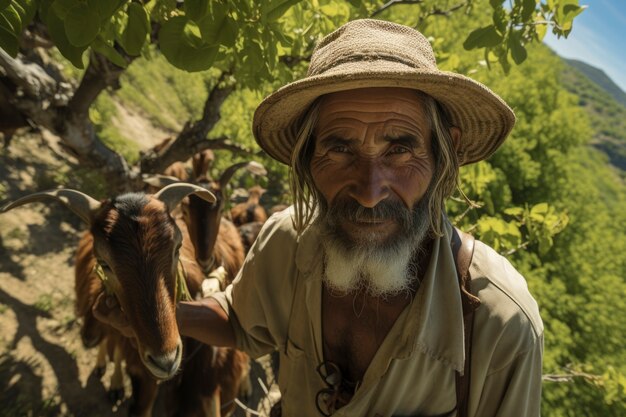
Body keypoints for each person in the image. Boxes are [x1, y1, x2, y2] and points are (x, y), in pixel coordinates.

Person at [95, 19, 543, 417]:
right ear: (308, 157)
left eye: (400, 149)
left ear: (444, 150)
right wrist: (154, 316)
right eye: (339, 148)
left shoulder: (499, 324)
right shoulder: (289, 239)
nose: (369, 193)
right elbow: (239, 319)